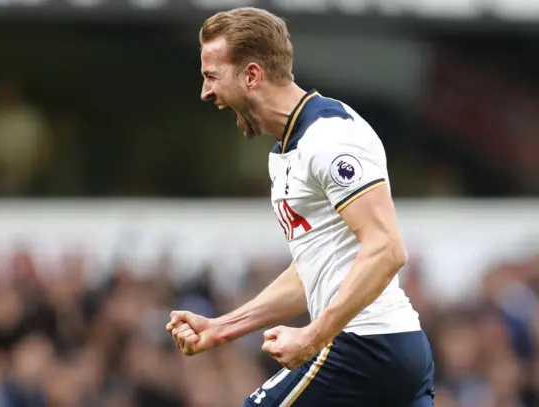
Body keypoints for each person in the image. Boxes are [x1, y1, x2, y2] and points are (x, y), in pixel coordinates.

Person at [166, 7, 435, 407]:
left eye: (211, 76)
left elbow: (387, 249)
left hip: (366, 345)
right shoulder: (285, 151)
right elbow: (310, 273)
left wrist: (312, 336)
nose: (206, 93)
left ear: (252, 75)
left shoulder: (329, 137)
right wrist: (221, 328)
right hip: (387, 351)